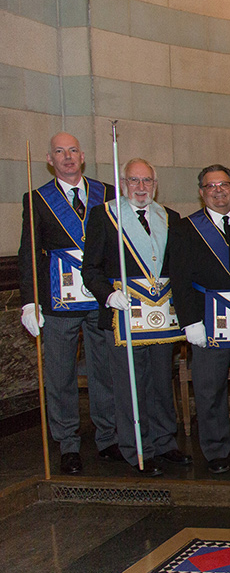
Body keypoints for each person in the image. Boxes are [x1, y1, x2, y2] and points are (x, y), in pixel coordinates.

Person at [18, 132, 118, 475]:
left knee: (104, 370)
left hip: (100, 296)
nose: (67, 156)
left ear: (83, 155)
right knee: (59, 374)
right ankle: (68, 443)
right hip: (58, 303)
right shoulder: (37, 199)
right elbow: (28, 253)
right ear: (50, 159)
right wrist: (29, 302)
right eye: (59, 152)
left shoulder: (107, 193)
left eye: (73, 150)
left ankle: (108, 438)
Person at [81, 158, 186, 476]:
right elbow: (90, 268)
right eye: (134, 181)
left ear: (155, 185)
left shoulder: (170, 218)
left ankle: (165, 442)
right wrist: (108, 295)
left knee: (160, 381)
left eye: (147, 182)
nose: (141, 188)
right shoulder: (105, 216)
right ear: (123, 184)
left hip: (159, 315)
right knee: (130, 385)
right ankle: (137, 449)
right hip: (123, 316)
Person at [169, 165, 230, 474]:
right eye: (210, 186)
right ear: (201, 192)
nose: (218, 190)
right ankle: (216, 448)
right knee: (211, 387)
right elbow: (178, 279)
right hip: (207, 318)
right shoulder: (185, 228)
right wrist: (189, 321)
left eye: (224, 185)